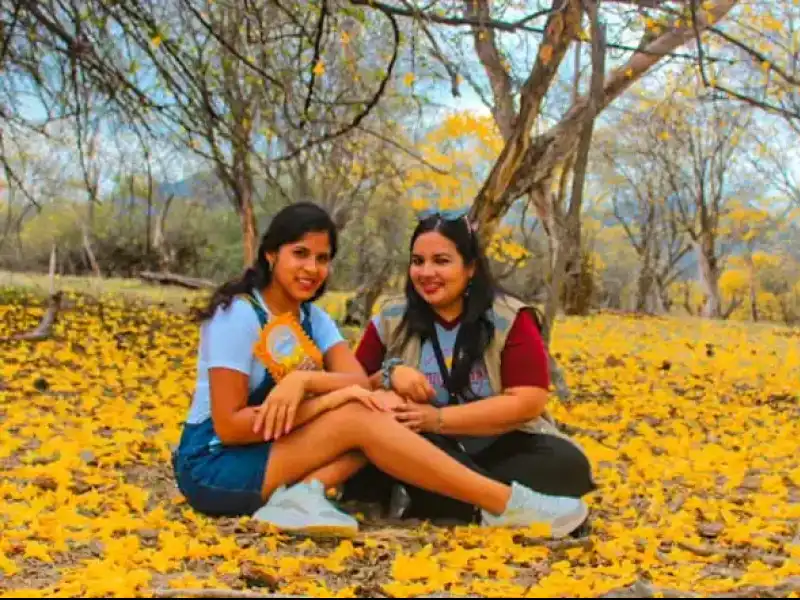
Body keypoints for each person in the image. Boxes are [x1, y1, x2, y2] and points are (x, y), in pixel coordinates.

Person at [171, 201, 590, 539]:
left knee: (377, 405)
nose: (311, 268)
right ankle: (505, 504)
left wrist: (307, 381)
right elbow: (229, 429)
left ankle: (304, 494)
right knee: (367, 411)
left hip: (276, 449)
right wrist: (342, 397)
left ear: (471, 267)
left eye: (322, 258)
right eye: (299, 254)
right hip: (216, 463)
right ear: (269, 254)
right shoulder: (237, 316)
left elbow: (359, 381)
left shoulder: (314, 320)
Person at [346, 207, 596, 524]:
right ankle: (493, 505)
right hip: (417, 445)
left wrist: (437, 418)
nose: (426, 273)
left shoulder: (509, 317)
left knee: (568, 465)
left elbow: (528, 401)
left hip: (496, 445)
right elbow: (349, 388)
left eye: (441, 261)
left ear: (471, 267)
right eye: (417, 261)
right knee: (382, 428)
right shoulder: (391, 318)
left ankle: (450, 502)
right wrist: (389, 374)